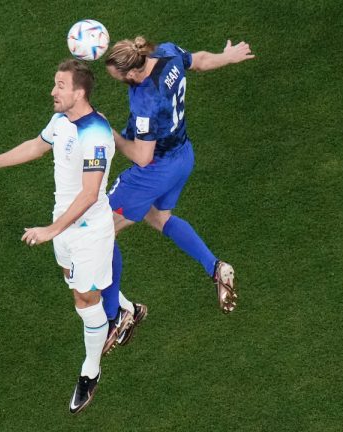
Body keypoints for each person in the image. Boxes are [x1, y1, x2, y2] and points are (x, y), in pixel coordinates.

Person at [0, 59, 124, 414]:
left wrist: (51, 230)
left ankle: (91, 371)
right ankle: (124, 306)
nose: (53, 91)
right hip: (62, 225)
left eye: (60, 86)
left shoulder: (96, 134)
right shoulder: (61, 122)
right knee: (74, 284)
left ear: (79, 92)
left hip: (88, 230)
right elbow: (35, 146)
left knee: (85, 298)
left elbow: (89, 194)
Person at [102, 37, 255, 344]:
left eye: (116, 76)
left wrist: (110, 133)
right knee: (159, 217)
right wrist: (227, 56)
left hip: (155, 169)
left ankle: (114, 316)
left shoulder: (146, 99)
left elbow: (142, 156)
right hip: (183, 156)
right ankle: (216, 266)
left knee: (99, 229)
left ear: (131, 74)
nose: (116, 80)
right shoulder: (167, 53)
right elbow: (198, 59)